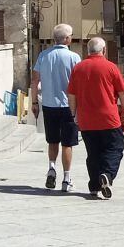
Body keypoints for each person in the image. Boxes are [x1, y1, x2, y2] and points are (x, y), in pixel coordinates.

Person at [67, 37, 124, 200]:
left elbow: (71, 95)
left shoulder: (78, 68)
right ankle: (107, 175)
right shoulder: (111, 67)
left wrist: (74, 115)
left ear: (88, 51)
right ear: (104, 50)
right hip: (109, 118)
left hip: (87, 119)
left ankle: (94, 185)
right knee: (115, 149)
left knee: (93, 153)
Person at [31, 23, 82, 192]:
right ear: (67, 38)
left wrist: (34, 103)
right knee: (67, 143)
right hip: (69, 106)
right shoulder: (74, 58)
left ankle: (51, 167)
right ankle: (66, 178)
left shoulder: (43, 56)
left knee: (52, 140)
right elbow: (79, 85)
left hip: (49, 104)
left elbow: (34, 81)